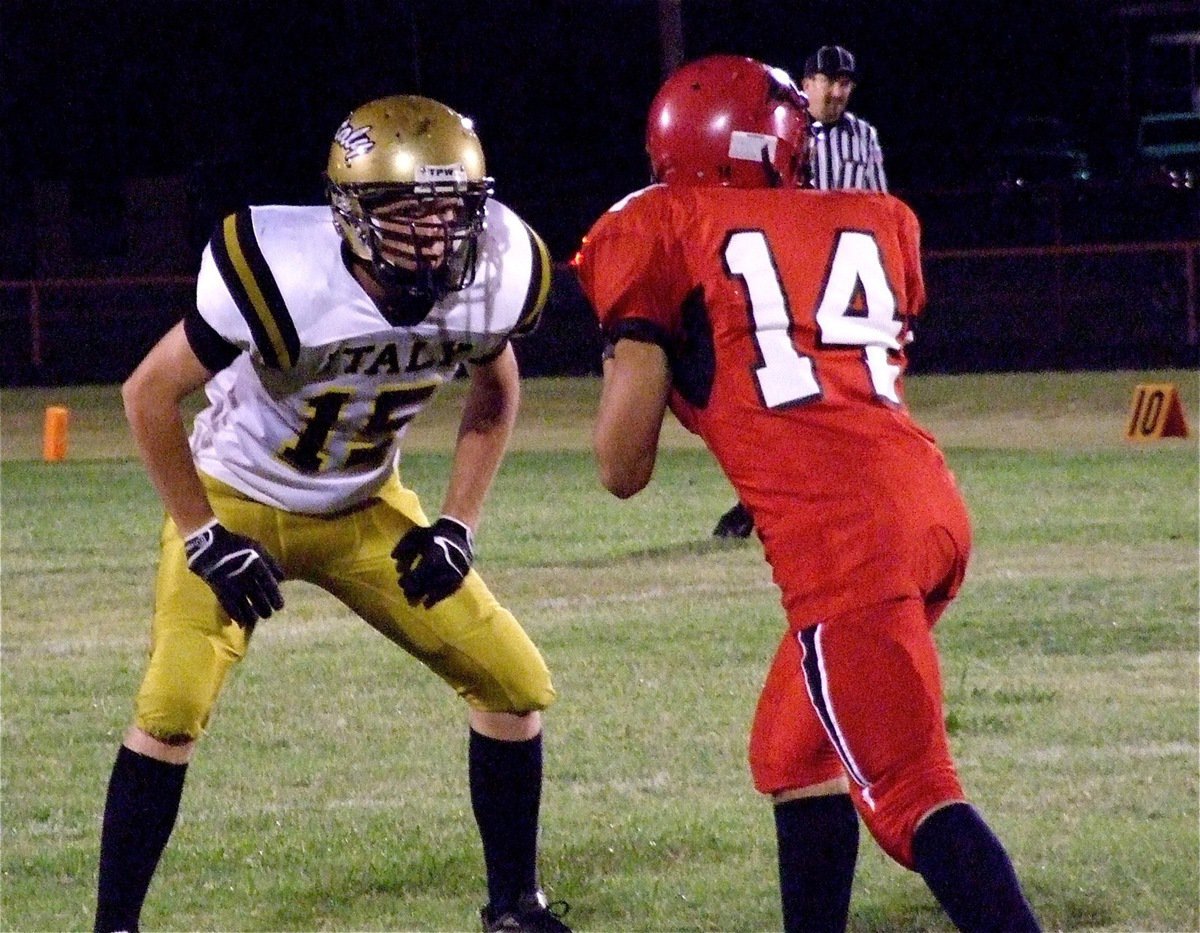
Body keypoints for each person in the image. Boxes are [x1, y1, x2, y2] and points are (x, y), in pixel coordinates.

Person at [575, 55, 1040, 933]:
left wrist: (642, 345)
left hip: (845, 549)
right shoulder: (873, 217)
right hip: (932, 510)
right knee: (792, 751)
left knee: (912, 793)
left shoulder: (661, 226)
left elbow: (620, 468)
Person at [95, 94, 571, 933]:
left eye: (450, 211)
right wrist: (204, 534)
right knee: (170, 708)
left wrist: (457, 523)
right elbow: (146, 395)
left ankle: (513, 906)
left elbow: (496, 392)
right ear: (350, 211)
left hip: (363, 503)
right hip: (239, 498)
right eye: (409, 213)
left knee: (513, 682)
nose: (432, 235)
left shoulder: (494, 273)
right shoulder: (280, 269)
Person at [712, 43, 887, 539]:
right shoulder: (781, 130)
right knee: (774, 395)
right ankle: (757, 502)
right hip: (785, 280)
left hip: (838, 287)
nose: (837, 91)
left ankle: (852, 495)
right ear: (805, 84)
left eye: (846, 83)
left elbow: (878, 210)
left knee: (846, 398)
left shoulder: (864, 138)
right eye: (827, 80)